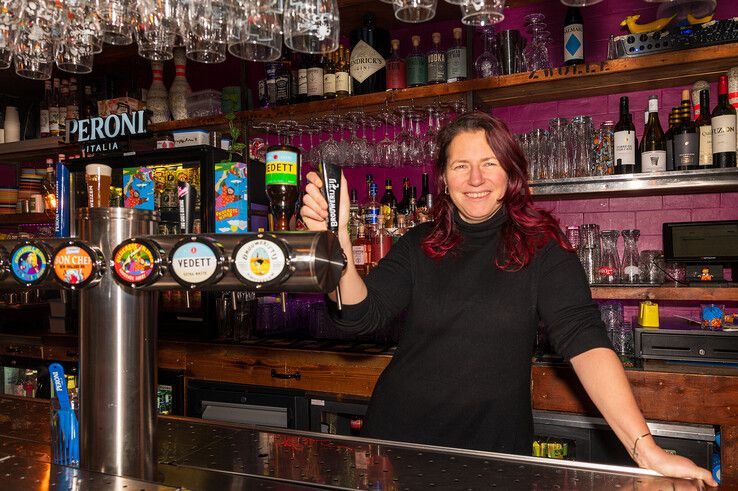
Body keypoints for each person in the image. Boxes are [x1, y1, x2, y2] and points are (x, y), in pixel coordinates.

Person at [300, 112, 716, 486]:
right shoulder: (419, 243)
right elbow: (359, 316)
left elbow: (585, 342)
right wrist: (337, 241)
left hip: (493, 454)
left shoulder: (543, 249)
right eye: (461, 166)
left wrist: (645, 448)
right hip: (399, 444)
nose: (475, 179)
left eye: (489, 164)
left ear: (510, 172)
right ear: (444, 178)